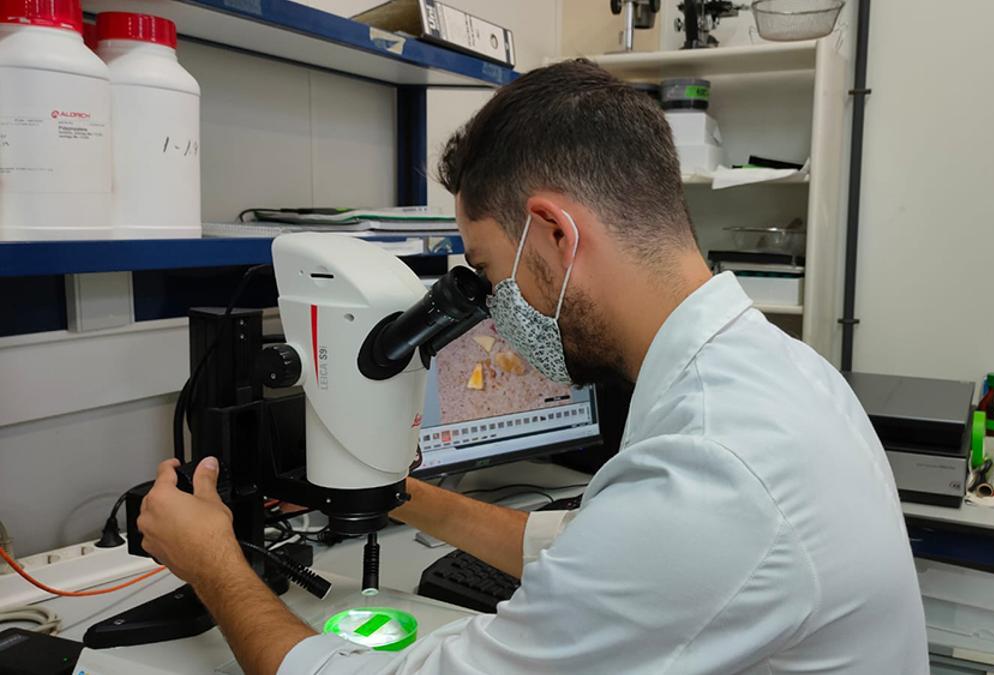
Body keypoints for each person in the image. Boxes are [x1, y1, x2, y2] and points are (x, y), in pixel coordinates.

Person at [137, 59, 929, 675]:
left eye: (488, 271)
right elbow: (592, 550)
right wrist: (387, 484)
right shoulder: (774, 374)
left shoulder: (718, 466)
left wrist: (215, 562)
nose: (493, 308)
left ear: (554, 232)